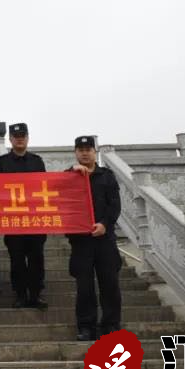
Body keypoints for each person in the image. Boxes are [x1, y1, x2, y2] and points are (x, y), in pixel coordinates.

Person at [67, 135, 122, 341]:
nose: (84, 152)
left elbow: (114, 205)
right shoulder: (68, 177)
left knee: (110, 284)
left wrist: (105, 225)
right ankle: (86, 326)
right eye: (80, 149)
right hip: (81, 242)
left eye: (88, 149)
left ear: (94, 152)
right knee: (84, 286)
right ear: (75, 152)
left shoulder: (107, 176)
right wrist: (73, 173)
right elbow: (62, 205)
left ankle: (111, 325)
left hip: (104, 240)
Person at [0, 122, 48, 309]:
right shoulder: (2, 163)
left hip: (35, 220)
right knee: (16, 260)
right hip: (13, 221)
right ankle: (20, 294)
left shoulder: (37, 161)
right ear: (10, 139)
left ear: (27, 138)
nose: (19, 139)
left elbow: (44, 188)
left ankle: (36, 294)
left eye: (22, 136)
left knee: (36, 259)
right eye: (16, 136)